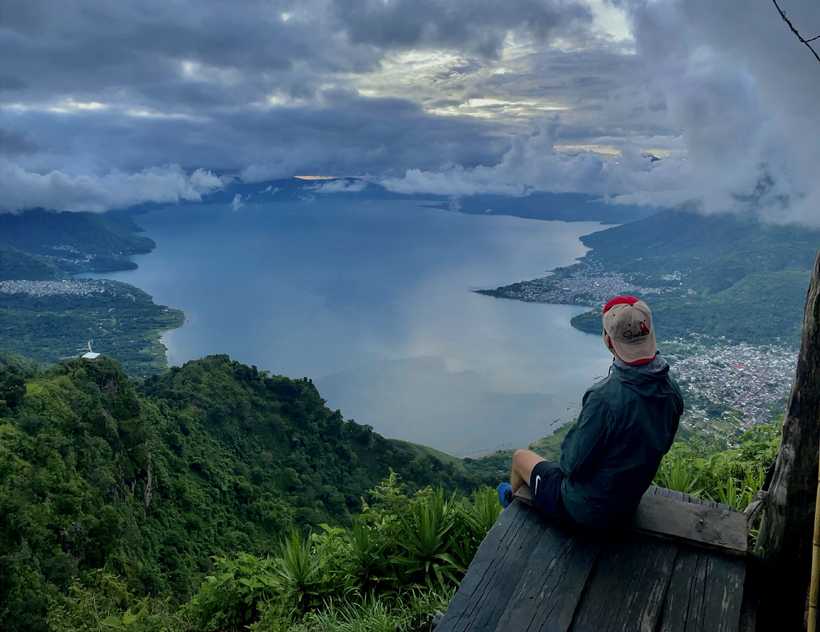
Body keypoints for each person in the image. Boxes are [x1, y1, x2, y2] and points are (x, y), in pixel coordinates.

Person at [497, 295, 684, 529]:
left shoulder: (604, 397)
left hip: (586, 510)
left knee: (520, 458)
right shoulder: (670, 389)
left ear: (608, 341)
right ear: (650, 333)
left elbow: (571, 464)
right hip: (628, 503)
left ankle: (514, 511)